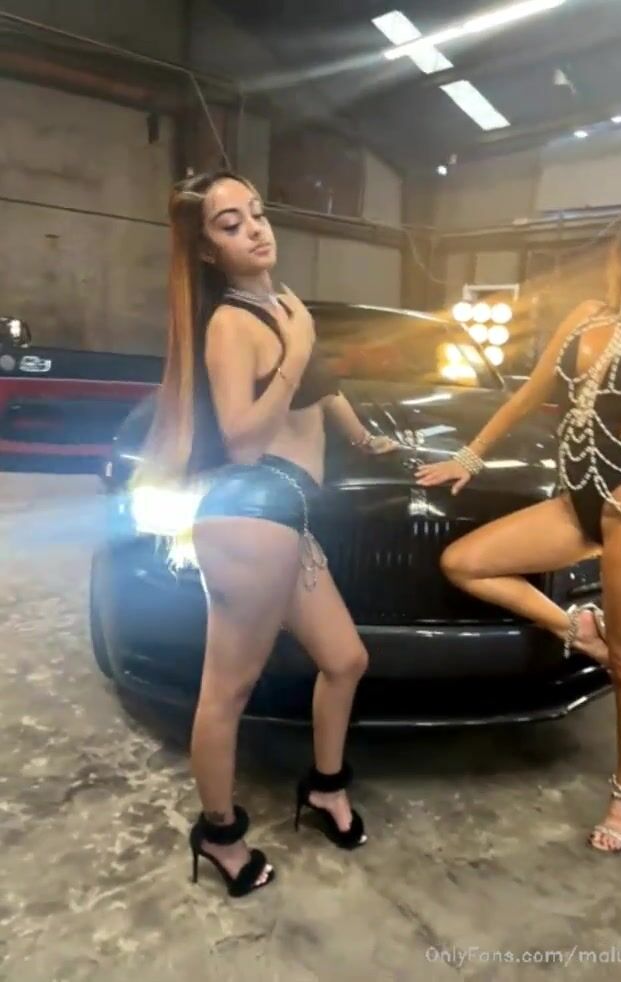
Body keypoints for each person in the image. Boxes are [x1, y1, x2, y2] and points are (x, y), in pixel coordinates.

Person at [416, 187, 621, 853]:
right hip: (574, 504)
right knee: (464, 562)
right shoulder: (588, 319)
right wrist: (469, 457)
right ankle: (575, 627)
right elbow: (528, 394)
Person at [134, 170, 396, 897]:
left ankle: (325, 788)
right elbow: (244, 440)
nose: (254, 228)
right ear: (208, 251)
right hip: (251, 511)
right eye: (230, 224)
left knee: (345, 659)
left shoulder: (283, 307)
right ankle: (219, 835)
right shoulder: (231, 324)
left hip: (288, 514)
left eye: (256, 213)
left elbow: (323, 387)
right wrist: (295, 349)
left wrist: (366, 438)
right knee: (228, 689)